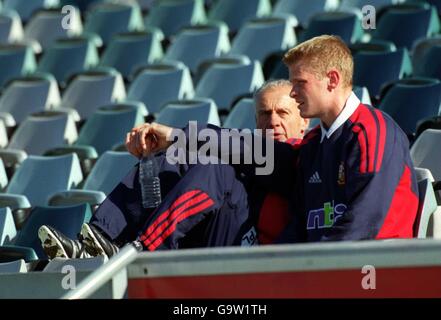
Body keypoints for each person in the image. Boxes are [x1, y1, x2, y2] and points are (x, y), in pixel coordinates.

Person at [129, 35, 419, 244]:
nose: (292, 93)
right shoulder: (314, 144)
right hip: (317, 272)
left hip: (366, 277)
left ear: (332, 80)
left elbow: (365, 224)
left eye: (299, 83)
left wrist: (301, 272)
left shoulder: (373, 131)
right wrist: (179, 138)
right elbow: (247, 151)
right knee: (199, 158)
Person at [38, 79, 309, 259]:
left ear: (304, 121)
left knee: (215, 162)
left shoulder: (304, 152)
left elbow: (251, 151)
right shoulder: (248, 149)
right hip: (221, 244)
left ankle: (144, 251)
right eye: (264, 113)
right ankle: (101, 238)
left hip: (265, 260)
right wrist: (170, 143)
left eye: (283, 113)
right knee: (179, 154)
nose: (273, 121)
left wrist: (178, 134)